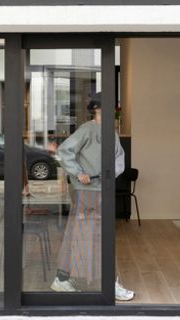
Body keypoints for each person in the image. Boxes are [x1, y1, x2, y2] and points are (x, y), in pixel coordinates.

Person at [51, 93, 135, 301]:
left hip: (102, 189)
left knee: (89, 234)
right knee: (90, 235)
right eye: (106, 107)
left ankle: (64, 279)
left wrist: (109, 175)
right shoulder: (87, 129)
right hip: (87, 191)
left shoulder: (111, 132)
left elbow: (119, 158)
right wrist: (79, 173)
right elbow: (63, 151)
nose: (111, 111)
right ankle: (108, 284)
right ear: (96, 109)